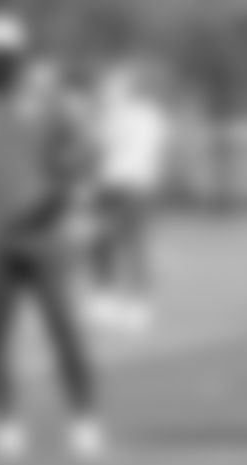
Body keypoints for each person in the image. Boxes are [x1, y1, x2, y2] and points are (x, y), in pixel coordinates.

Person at [0, 12, 105, 459]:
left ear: (17, 59)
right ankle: (4, 421)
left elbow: (87, 151)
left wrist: (66, 194)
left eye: (3, 57)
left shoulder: (44, 104)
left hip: (43, 237)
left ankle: (84, 417)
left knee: (64, 329)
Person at [86, 61, 171, 332]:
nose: (109, 92)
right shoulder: (136, 115)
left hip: (128, 185)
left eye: (115, 88)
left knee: (130, 245)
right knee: (105, 243)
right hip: (119, 185)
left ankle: (135, 305)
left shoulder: (131, 115)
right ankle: (109, 301)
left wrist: (108, 117)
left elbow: (103, 144)